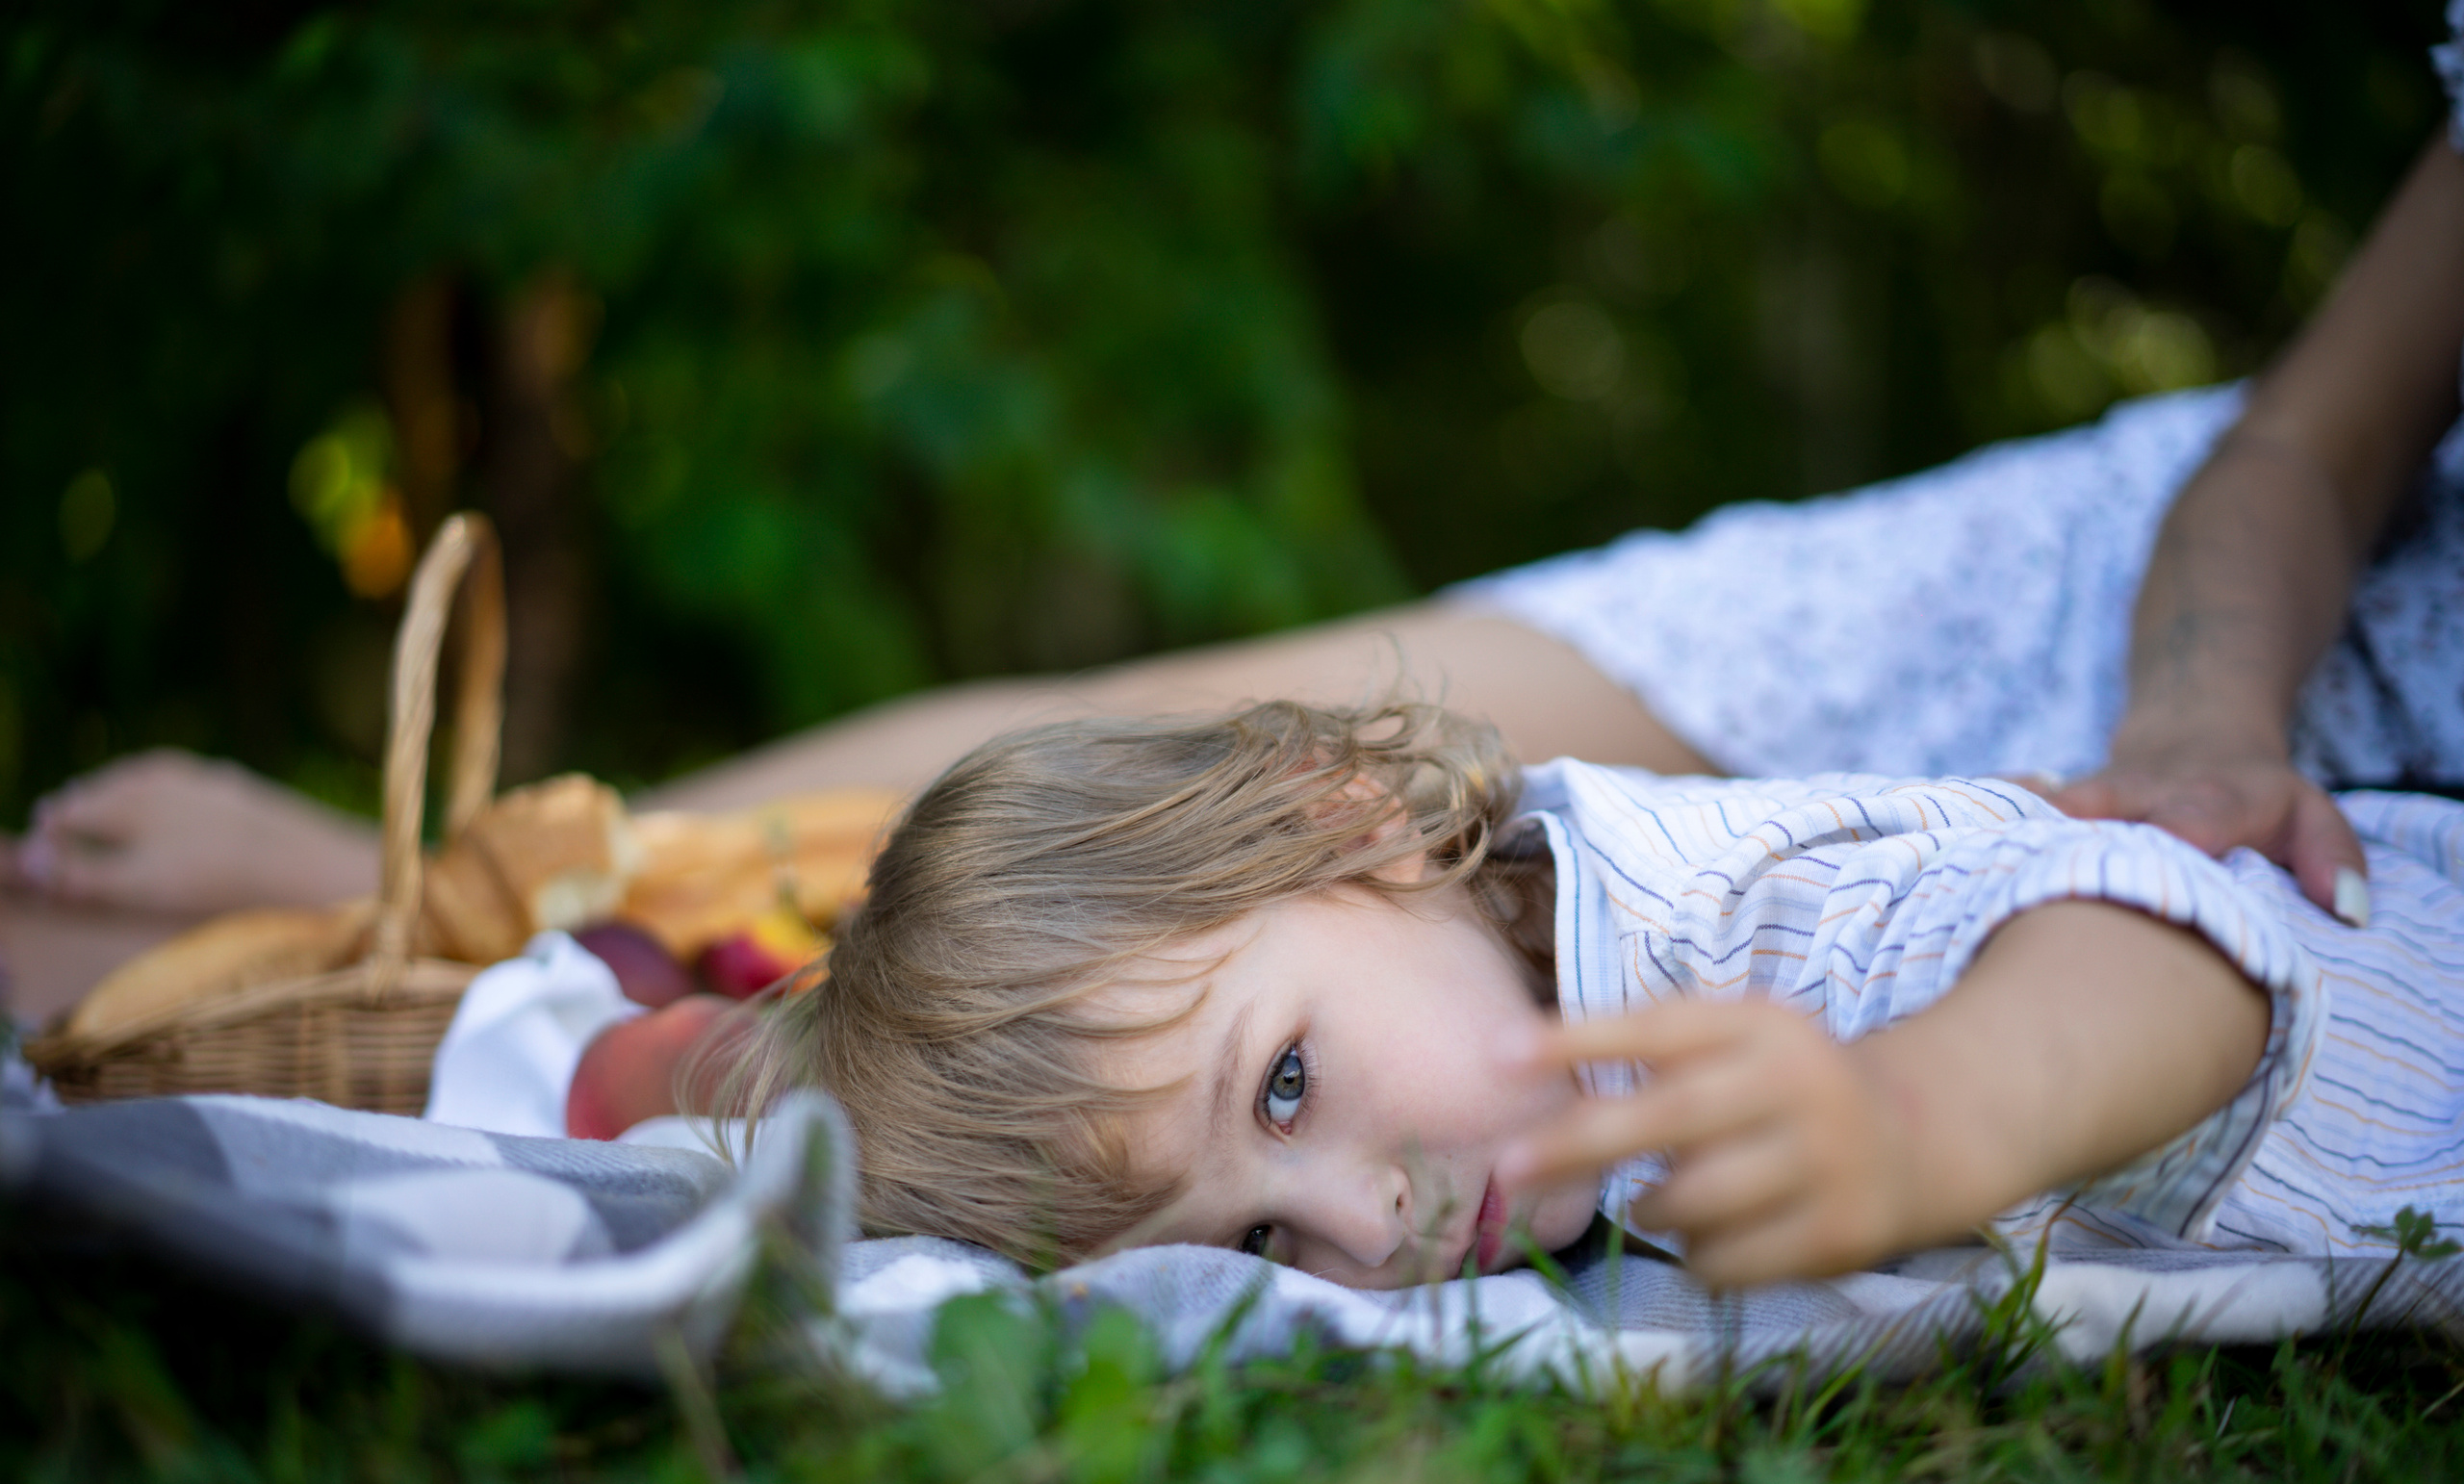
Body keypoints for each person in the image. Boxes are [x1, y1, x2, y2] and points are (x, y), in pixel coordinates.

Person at [17, 28, 2464, 951]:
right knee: (1180, 765)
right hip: (2167, 637)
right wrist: (2189, 723)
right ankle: (438, 892)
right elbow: (2303, 442)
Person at [706, 698, 2462, 1289]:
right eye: (1252, 1248)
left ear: (1354, 822)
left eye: (1287, 1090)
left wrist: (1920, 1121)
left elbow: (2169, 936)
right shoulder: (1552, 1077)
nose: (1364, 1225)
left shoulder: (1730, 927)